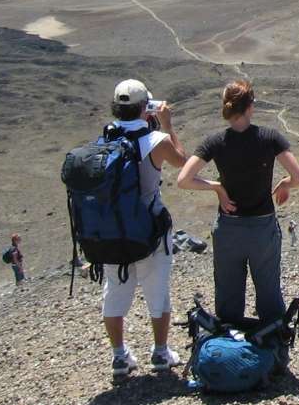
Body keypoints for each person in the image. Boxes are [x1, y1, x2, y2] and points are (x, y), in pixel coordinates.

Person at [177, 79, 299, 327]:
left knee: (228, 292)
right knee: (268, 289)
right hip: (262, 229)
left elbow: (184, 180)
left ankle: (228, 348)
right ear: (250, 107)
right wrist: (285, 184)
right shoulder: (269, 137)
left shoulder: (215, 142)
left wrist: (216, 187)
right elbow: (298, 177)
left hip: (228, 228)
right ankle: (271, 343)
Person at [102, 79, 188, 378]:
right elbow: (183, 162)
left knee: (115, 292)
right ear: (144, 108)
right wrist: (167, 125)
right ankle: (161, 353)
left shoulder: (105, 140)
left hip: (113, 231)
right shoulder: (156, 141)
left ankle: (118, 356)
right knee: (157, 292)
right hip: (150, 228)